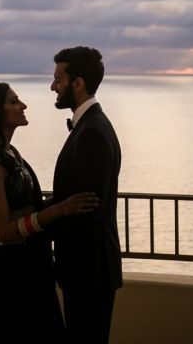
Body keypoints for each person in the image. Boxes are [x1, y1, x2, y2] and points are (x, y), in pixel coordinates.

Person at [0, 81, 99, 344]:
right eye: (13, 101)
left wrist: (66, 200)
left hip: (29, 263)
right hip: (8, 273)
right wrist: (57, 210)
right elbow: (4, 231)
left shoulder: (10, 153)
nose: (22, 106)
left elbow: (27, 208)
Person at [50, 46, 122, 343]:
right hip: (87, 269)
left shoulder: (92, 132)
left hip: (88, 271)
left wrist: (32, 225)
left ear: (77, 83)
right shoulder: (91, 126)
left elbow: (86, 208)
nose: (53, 86)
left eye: (58, 79)